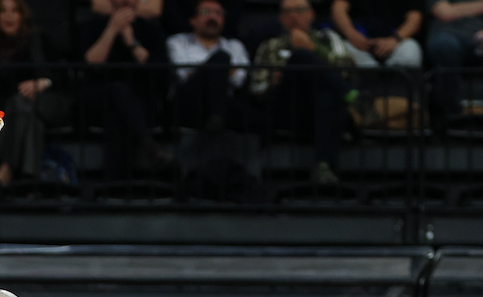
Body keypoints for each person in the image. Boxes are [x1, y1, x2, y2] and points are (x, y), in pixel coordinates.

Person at [251, 0, 358, 185]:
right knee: (300, 57)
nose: (293, 16)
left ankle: (323, 167)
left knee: (325, 93)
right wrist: (273, 82)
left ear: (311, 14)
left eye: (299, 10)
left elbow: (347, 69)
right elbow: (256, 88)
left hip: (322, 107)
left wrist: (314, 48)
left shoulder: (329, 38)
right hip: (286, 107)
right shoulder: (270, 45)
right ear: (281, 18)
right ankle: (354, 98)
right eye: (287, 12)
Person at [0, 0, 71, 187]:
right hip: (12, 108)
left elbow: (64, 73)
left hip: (49, 101)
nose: (9, 16)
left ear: (22, 16)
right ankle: (30, 181)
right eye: (3, 11)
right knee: (24, 109)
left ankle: (6, 168)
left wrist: (42, 83)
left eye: (14, 11)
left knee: (21, 103)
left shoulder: (38, 39)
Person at [81, 0, 172, 176]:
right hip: (98, 98)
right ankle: (148, 145)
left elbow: (160, 72)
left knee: (117, 116)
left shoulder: (151, 29)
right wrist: (112, 30)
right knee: (118, 91)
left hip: (140, 101)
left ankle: (114, 188)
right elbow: (91, 64)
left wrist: (132, 43)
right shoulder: (94, 25)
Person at [167, 0, 257, 131]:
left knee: (262, 120)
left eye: (218, 13)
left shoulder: (234, 46)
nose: (212, 17)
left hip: (224, 101)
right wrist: (222, 69)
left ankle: (217, 117)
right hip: (189, 102)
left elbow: (239, 80)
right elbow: (184, 74)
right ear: (193, 20)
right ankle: (217, 115)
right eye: (205, 12)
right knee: (221, 58)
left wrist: (204, 68)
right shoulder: (177, 42)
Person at [329, 0, 424, 67]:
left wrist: (394, 40)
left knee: (411, 51)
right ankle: (365, 94)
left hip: (395, 41)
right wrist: (352, 35)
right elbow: (338, 9)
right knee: (344, 52)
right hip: (359, 43)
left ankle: (399, 94)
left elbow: (415, 18)